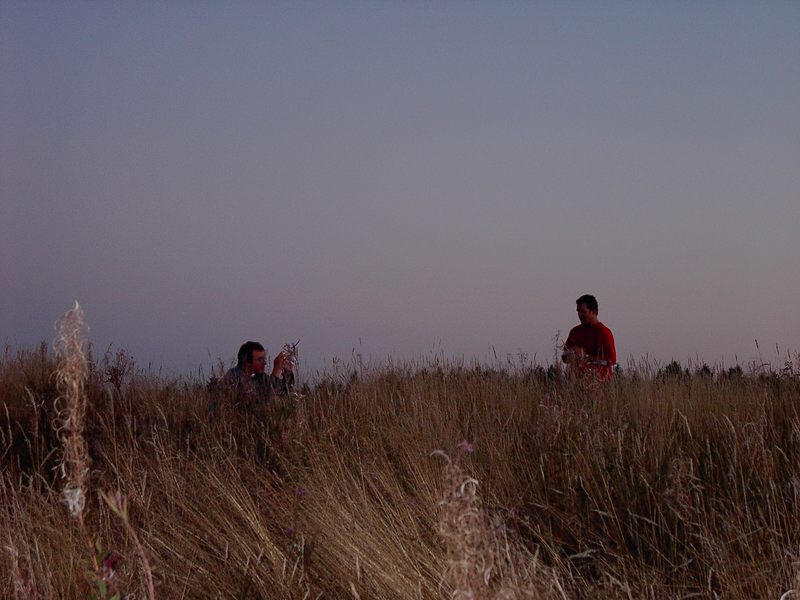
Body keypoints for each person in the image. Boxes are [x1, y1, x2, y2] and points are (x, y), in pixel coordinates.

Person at [562, 294, 616, 381]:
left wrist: (584, 356)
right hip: (576, 384)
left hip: (598, 385)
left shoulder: (603, 332)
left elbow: (611, 361)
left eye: (583, 312)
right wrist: (569, 354)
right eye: (578, 311)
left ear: (594, 311)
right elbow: (565, 358)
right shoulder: (574, 331)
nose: (579, 315)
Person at [220, 341, 295, 403]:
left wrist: (287, 373)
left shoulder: (260, 377)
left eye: (264, 359)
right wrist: (276, 371)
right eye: (260, 360)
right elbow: (265, 402)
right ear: (246, 361)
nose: (264, 363)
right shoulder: (234, 377)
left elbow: (283, 392)